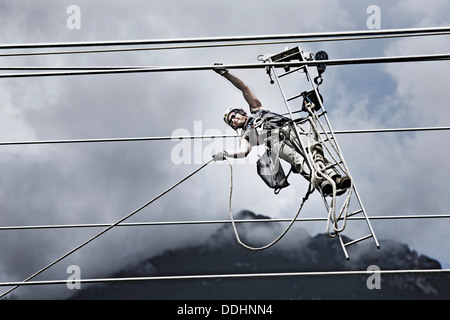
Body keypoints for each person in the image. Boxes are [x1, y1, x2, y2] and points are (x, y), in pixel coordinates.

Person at [212, 65, 351, 197]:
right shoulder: (245, 136)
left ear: (240, 112)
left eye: (234, 116)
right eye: (231, 122)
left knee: (312, 150)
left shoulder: (256, 110)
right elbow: (244, 152)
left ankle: (335, 177)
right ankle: (322, 184)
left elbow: (244, 88)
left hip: (289, 128)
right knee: (298, 161)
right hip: (275, 142)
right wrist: (226, 154)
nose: (234, 120)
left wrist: (226, 74)